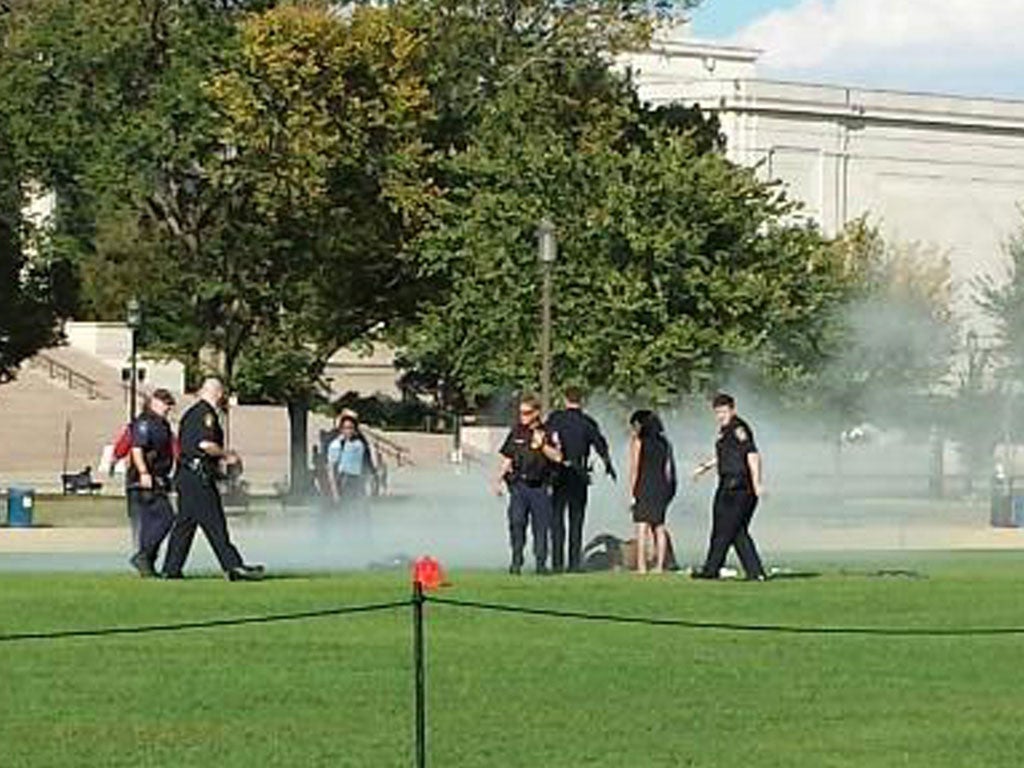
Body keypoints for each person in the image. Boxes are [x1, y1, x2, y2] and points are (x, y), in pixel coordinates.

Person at [162, 378, 263, 581]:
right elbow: (205, 444)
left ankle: (171, 568)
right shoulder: (205, 414)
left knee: (185, 525)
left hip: (187, 476)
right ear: (217, 392)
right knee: (215, 523)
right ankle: (233, 566)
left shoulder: (192, 413)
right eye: (221, 393)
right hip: (198, 478)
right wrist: (228, 455)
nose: (222, 397)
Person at [692, 392, 767, 581]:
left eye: (724, 411)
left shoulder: (738, 428)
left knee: (726, 530)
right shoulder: (724, 431)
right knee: (734, 530)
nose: (720, 416)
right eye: (717, 412)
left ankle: (711, 570)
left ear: (732, 410)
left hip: (740, 485)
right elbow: (726, 455)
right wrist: (705, 467)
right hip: (725, 482)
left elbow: (752, 455)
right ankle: (754, 572)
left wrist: (757, 483)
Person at [546, 386, 616, 573]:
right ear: (581, 400)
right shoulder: (587, 422)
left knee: (556, 520)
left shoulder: (555, 419)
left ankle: (557, 563)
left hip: (557, 474)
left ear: (564, 399)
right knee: (576, 520)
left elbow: (545, 443)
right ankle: (574, 563)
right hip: (579, 474)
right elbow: (600, 445)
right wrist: (608, 464)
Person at [494, 394, 563, 575]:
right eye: (520, 413)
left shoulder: (548, 432)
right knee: (517, 523)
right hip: (519, 487)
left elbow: (558, 457)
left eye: (526, 413)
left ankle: (541, 563)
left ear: (536, 413)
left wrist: (542, 446)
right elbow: (507, 456)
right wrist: (498, 480)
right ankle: (516, 560)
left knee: (541, 527)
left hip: (540, 487)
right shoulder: (516, 432)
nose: (522, 416)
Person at [127, 389, 177, 578]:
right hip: (144, 481)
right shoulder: (145, 422)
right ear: (154, 402)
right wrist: (143, 472)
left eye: (169, 403)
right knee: (166, 518)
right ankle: (143, 556)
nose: (168, 407)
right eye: (165, 403)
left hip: (158, 478)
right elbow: (137, 449)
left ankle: (147, 562)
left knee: (150, 524)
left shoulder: (162, 424)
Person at [628, 410, 677, 574]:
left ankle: (642, 566)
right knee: (659, 526)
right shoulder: (665, 443)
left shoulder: (638, 442)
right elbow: (668, 469)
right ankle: (659, 566)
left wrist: (632, 492)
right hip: (661, 486)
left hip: (644, 485)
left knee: (642, 525)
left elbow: (634, 468)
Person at [326, 412, 377, 505]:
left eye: (351, 428)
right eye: (346, 428)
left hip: (358, 481)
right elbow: (331, 469)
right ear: (341, 429)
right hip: (344, 481)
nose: (348, 431)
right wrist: (335, 492)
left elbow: (368, 461)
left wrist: (371, 481)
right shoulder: (336, 445)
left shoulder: (360, 443)